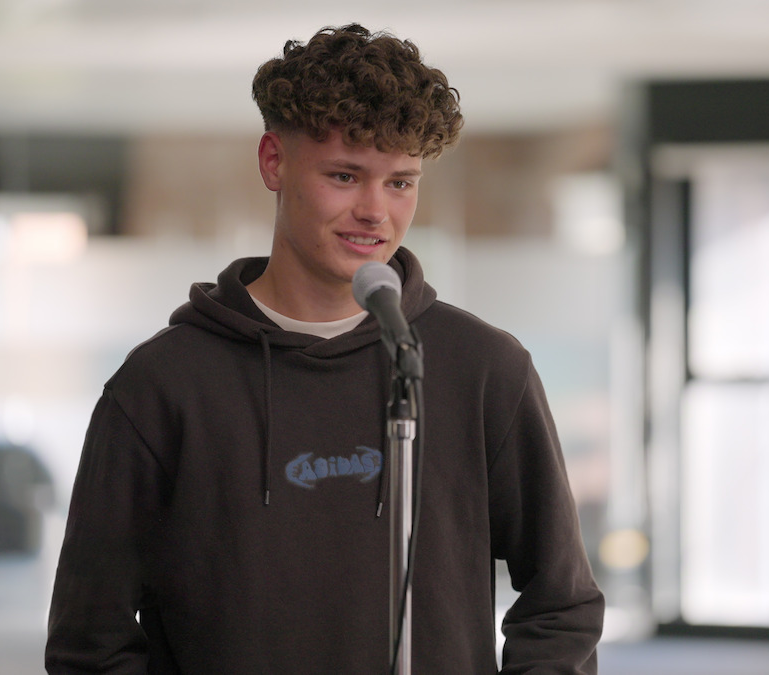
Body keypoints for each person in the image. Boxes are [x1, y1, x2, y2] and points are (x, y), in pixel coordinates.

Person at [45, 23, 604, 674]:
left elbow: (561, 606)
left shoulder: (483, 370)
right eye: (345, 175)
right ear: (274, 162)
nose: (376, 210)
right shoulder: (161, 385)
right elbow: (90, 642)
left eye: (400, 182)